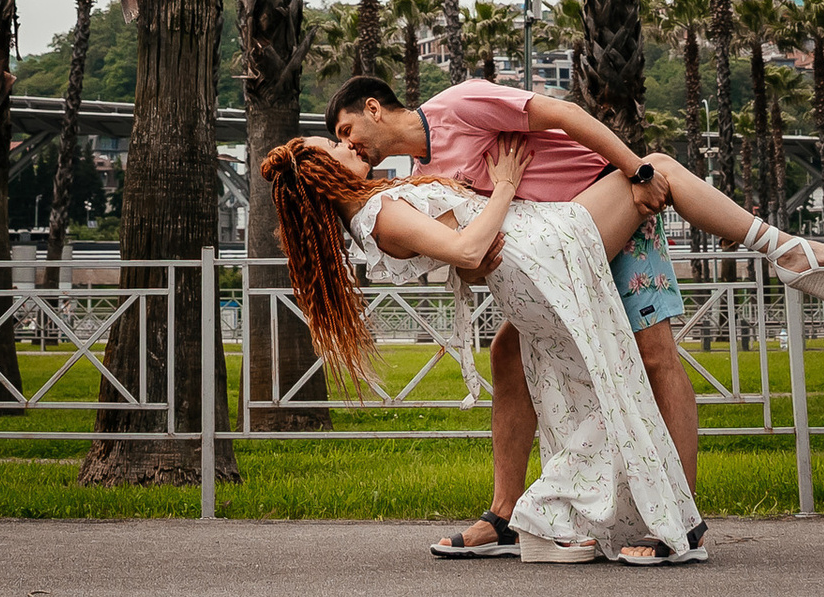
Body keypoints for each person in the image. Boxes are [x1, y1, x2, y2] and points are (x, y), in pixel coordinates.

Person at [326, 72, 824, 558]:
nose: (348, 144)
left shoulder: (458, 106)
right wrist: (475, 261)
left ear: (374, 108)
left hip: (613, 212)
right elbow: (470, 257)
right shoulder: (428, 172)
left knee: (655, 356)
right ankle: (505, 514)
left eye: (347, 129)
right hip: (562, 256)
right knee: (506, 352)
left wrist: (637, 170)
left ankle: (683, 521)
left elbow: (564, 115)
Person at [261, 131, 706, 564]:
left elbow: (463, 248)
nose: (346, 144)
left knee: (586, 388)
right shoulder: (377, 215)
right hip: (542, 259)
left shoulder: (375, 208)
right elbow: (468, 249)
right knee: (656, 171)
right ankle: (772, 243)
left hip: (530, 268)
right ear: (322, 175)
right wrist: (507, 185)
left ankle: (563, 515)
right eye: (334, 146)